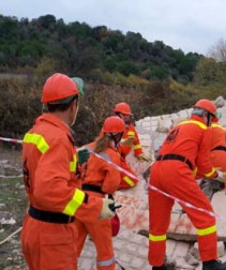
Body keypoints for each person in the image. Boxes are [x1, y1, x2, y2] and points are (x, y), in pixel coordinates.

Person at [21, 73, 115, 270]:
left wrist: (75, 166)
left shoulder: (36, 132)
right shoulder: (58, 138)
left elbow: (41, 175)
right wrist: (97, 207)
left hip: (34, 226)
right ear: (74, 104)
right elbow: (50, 190)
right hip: (52, 235)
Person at [148, 99, 226, 270]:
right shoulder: (203, 129)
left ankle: (157, 265)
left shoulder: (177, 127)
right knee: (206, 215)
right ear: (207, 116)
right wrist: (217, 175)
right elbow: (202, 163)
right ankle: (210, 264)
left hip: (156, 170)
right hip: (176, 170)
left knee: (158, 224)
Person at [75, 116, 125, 270]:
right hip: (98, 203)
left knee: (72, 246)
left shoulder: (85, 148)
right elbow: (110, 186)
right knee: (105, 252)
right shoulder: (112, 155)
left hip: (77, 199)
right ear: (118, 136)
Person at [198, 114, 226, 199]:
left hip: (219, 162)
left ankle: (202, 192)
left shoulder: (207, 128)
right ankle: (216, 184)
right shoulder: (223, 130)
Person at [113, 102, 151, 189]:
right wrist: (121, 143)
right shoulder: (111, 125)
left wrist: (139, 153)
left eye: (128, 115)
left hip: (121, 160)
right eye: (124, 115)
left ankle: (113, 185)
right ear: (118, 114)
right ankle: (109, 185)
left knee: (132, 180)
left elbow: (136, 141)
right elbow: (104, 142)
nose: (127, 117)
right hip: (111, 158)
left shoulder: (130, 128)